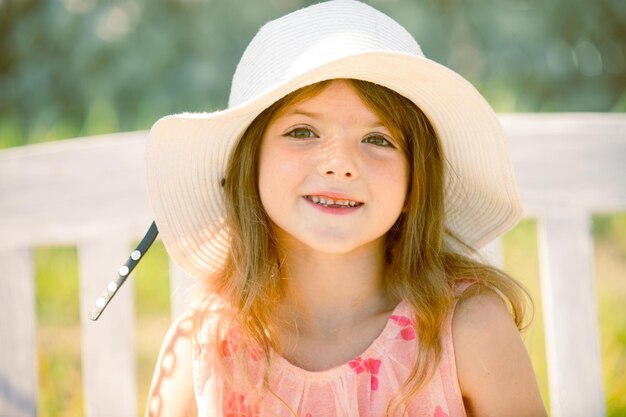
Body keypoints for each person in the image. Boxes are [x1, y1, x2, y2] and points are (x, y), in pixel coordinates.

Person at [143, 1, 547, 416]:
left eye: (377, 139)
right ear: (251, 167)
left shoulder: (469, 330)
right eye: (303, 131)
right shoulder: (207, 347)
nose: (339, 163)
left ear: (414, 183)